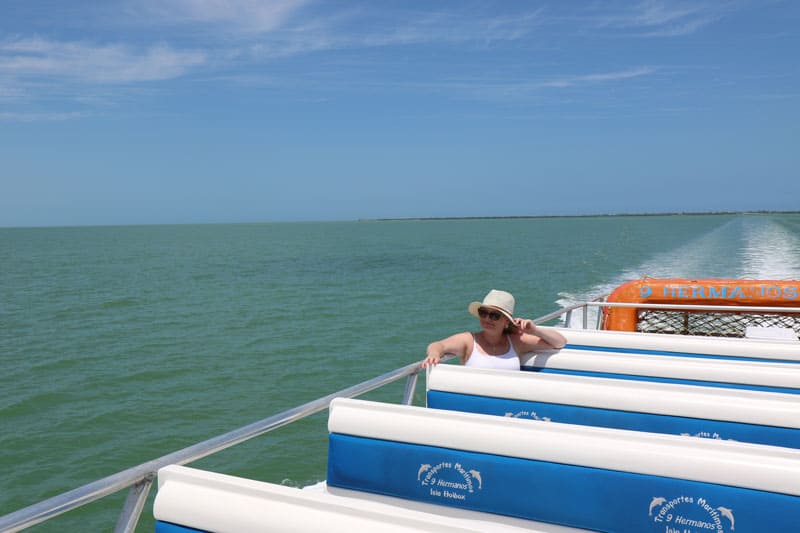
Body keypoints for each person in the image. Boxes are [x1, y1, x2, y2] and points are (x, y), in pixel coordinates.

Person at [421, 289, 567, 370]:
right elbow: (438, 345)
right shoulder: (469, 341)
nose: (487, 319)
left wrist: (535, 330)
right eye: (483, 313)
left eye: (494, 315)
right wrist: (434, 354)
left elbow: (559, 342)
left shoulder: (516, 341)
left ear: (506, 321)